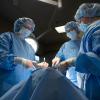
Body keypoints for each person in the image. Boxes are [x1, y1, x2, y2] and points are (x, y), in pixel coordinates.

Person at [57, 3, 100, 100]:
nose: (79, 24)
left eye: (79, 21)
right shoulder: (90, 32)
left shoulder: (97, 29)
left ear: (86, 17)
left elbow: (96, 61)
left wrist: (71, 62)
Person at [0, 17, 48, 96]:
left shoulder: (30, 48)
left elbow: (31, 67)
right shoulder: (7, 37)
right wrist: (21, 61)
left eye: (31, 29)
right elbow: (1, 58)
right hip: (7, 87)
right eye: (27, 27)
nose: (29, 29)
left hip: (24, 88)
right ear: (19, 26)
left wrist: (39, 66)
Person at [52, 21, 81, 86]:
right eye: (67, 31)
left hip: (85, 78)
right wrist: (56, 60)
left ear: (77, 30)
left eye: (71, 30)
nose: (69, 32)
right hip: (71, 79)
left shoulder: (84, 42)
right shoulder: (65, 45)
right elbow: (58, 56)